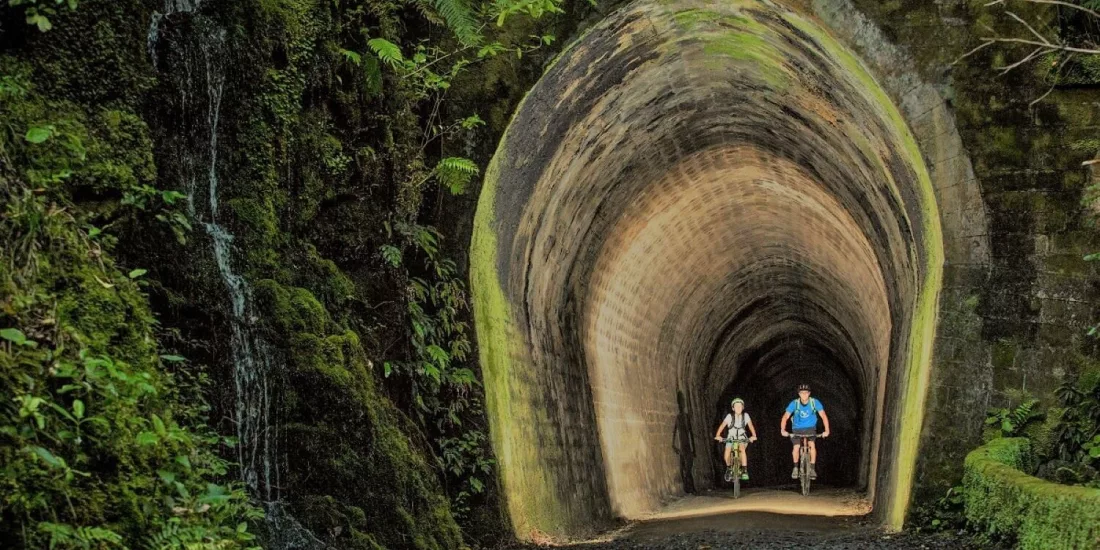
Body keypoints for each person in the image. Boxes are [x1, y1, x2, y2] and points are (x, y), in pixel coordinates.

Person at [780, 384, 830, 480]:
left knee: (812, 445)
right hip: (797, 428)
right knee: (796, 447)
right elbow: (785, 416)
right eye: (802, 393)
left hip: (810, 428)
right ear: (799, 394)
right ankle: (795, 468)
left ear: (809, 394)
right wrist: (783, 429)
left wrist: (827, 430)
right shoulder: (794, 403)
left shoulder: (814, 402)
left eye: (806, 393)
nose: (804, 395)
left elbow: (823, 416)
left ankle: (812, 468)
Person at [713, 398, 757, 481]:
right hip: (731, 437)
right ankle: (729, 468)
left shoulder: (746, 416)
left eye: (740, 406)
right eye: (736, 406)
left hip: (742, 437)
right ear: (733, 408)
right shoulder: (729, 416)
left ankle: (744, 470)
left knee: (742, 448)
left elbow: (750, 426)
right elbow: (722, 425)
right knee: (727, 451)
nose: (738, 408)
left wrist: (753, 435)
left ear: (743, 407)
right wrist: (718, 435)